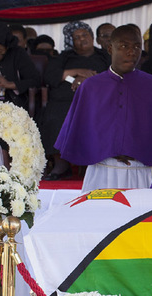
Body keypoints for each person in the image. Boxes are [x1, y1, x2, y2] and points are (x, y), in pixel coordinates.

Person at [54, 25, 152, 192]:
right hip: (103, 171)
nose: (131, 52)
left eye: (136, 46)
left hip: (143, 172)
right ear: (109, 48)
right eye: (123, 46)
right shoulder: (91, 87)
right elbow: (78, 132)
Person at [39, 21, 111, 180]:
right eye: (77, 37)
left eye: (84, 35)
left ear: (92, 37)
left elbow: (113, 77)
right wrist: (77, 74)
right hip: (64, 100)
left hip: (96, 99)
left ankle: (91, 164)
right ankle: (61, 164)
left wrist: (87, 81)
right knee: (55, 114)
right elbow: (51, 76)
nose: (81, 39)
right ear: (72, 41)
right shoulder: (65, 57)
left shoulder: (104, 56)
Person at [0, 23, 39, 110]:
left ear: (7, 47)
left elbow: (35, 80)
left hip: (10, 107)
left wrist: (9, 84)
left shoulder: (18, 54)